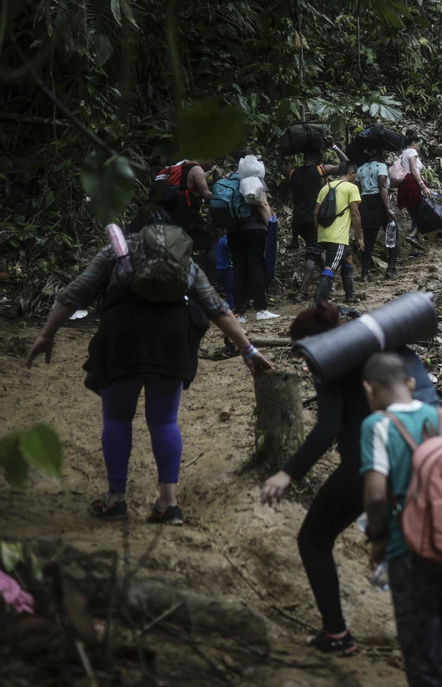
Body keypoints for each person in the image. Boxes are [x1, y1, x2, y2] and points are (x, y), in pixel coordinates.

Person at [25, 214, 273, 524]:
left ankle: (115, 499)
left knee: (117, 416)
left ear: (135, 235)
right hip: (171, 337)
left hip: (123, 335)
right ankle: (168, 503)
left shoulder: (117, 251)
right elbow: (216, 307)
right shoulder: (181, 259)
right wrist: (247, 348)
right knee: (164, 419)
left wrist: (46, 334)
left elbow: (75, 293)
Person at [260, 306, 440, 656]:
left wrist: (287, 473)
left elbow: (327, 428)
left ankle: (336, 633)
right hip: (411, 467)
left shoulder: (332, 362)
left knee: (313, 540)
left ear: (311, 343)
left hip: (365, 469)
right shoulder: (371, 353)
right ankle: (436, 637)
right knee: (410, 550)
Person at [360, 352, 442, 687]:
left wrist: (377, 539)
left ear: (370, 390)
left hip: (409, 546)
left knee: (421, 639)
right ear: (412, 383)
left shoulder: (377, 426)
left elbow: (375, 495)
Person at [289, 148, 346, 298]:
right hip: (313, 219)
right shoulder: (321, 170)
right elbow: (347, 165)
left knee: (319, 248)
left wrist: (282, 153)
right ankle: (302, 291)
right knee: (312, 252)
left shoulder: (294, 173)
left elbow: (279, 165)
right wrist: (335, 147)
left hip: (298, 221)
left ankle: (329, 283)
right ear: (316, 155)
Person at [227, 153, 277, 322]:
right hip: (254, 229)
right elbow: (263, 204)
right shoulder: (255, 179)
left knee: (239, 268)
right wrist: (271, 227)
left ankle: (239, 313)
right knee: (255, 267)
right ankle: (260, 310)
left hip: (233, 231)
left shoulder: (232, 181)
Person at [314, 162, 364, 305]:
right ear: (351, 172)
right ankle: (319, 302)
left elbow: (315, 213)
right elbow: (355, 214)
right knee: (331, 266)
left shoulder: (325, 187)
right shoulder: (351, 188)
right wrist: (360, 237)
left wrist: (319, 232)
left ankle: (350, 295)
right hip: (338, 237)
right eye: (355, 174)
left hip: (323, 234)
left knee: (347, 259)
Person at [356, 148, 396, 283]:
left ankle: (365, 273)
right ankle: (391, 267)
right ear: (376, 153)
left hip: (365, 203)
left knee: (369, 240)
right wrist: (388, 208)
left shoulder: (360, 169)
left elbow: (358, 188)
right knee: (391, 233)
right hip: (379, 201)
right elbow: (382, 186)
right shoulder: (381, 166)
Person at [391, 132, 432, 262]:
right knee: (424, 214)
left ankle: (413, 251)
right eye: (418, 143)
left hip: (405, 187)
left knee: (415, 216)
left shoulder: (403, 154)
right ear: (413, 143)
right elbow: (414, 170)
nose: (419, 146)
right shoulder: (412, 152)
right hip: (413, 186)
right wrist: (423, 186)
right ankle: (412, 235)